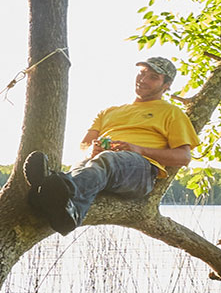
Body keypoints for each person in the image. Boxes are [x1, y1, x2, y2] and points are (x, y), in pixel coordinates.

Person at [21, 56, 197, 234]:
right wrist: (90, 150)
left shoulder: (172, 112)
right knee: (83, 165)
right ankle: (67, 213)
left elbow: (184, 157)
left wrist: (139, 149)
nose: (143, 79)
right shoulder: (109, 112)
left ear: (166, 85)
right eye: (142, 73)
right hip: (99, 164)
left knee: (106, 160)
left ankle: (53, 188)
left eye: (153, 77)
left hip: (140, 170)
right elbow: (84, 144)